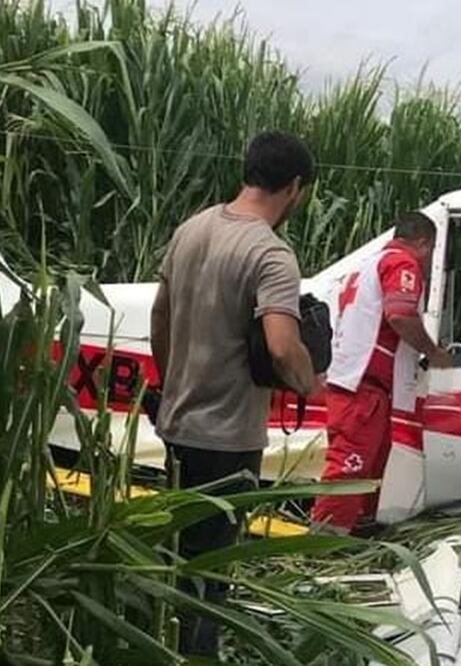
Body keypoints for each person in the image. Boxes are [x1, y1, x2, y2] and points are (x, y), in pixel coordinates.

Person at [149, 130, 320, 656]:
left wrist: (173, 381)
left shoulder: (192, 229)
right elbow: (282, 346)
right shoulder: (270, 254)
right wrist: (309, 383)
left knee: (179, 557)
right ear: (294, 187)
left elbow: (161, 316)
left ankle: (161, 644)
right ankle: (195, 656)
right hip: (227, 438)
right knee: (209, 575)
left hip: (176, 426)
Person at [310, 211, 451, 535]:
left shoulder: (366, 264)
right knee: (350, 466)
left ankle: (360, 527)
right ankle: (323, 545)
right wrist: (433, 352)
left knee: (368, 462)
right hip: (365, 384)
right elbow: (400, 315)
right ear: (424, 243)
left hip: (351, 378)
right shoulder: (402, 263)